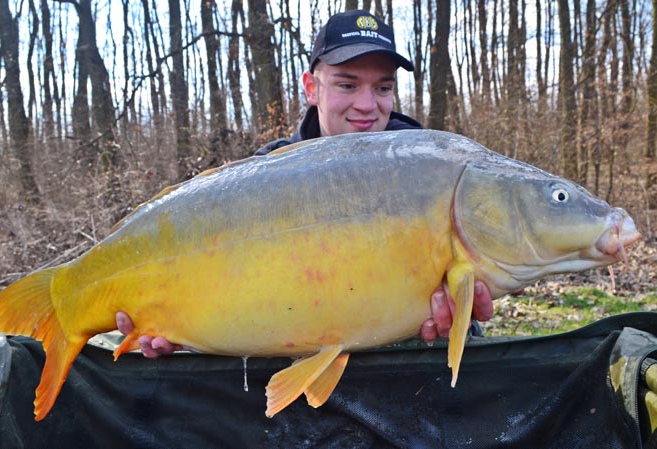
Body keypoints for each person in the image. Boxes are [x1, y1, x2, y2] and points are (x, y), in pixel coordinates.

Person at [115, 9, 494, 358]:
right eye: (347, 85)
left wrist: (460, 322)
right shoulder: (261, 177)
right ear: (312, 88)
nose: (368, 105)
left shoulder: (431, 176)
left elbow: (469, 300)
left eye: (382, 88)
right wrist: (181, 338)